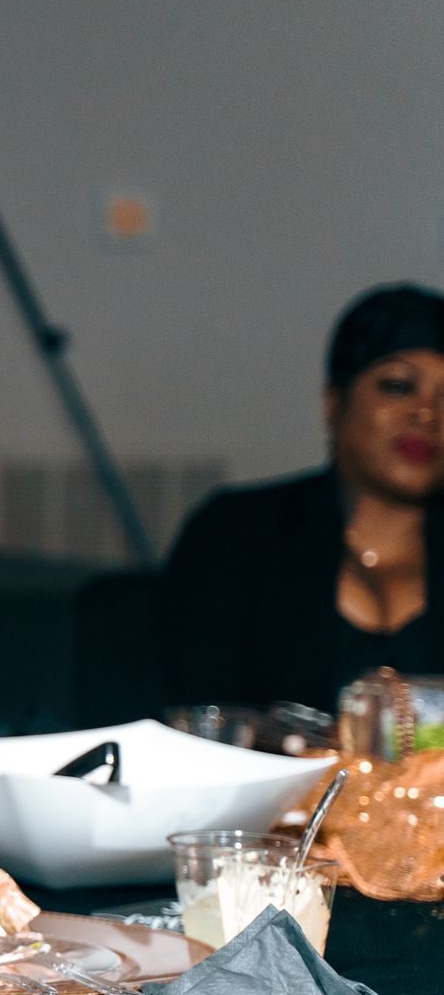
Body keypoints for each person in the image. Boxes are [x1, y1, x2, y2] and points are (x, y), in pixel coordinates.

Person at [158, 283, 444, 711]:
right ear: (334, 402)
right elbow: (198, 716)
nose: (427, 414)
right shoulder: (237, 534)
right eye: (399, 386)